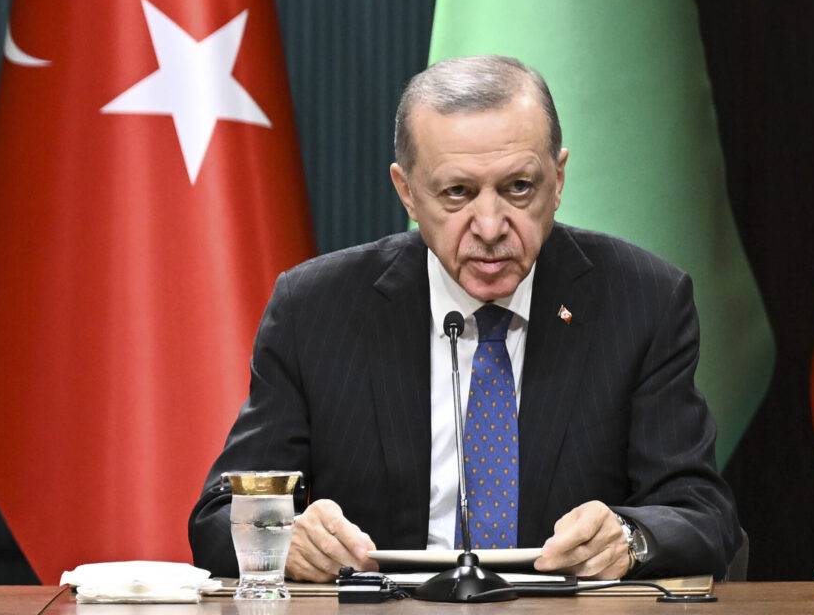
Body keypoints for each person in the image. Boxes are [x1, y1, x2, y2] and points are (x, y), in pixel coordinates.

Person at [189, 55, 740, 582]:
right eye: (458, 192)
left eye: (518, 187)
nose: (491, 225)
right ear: (407, 192)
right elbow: (217, 518)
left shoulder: (641, 301)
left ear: (558, 179)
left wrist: (628, 536)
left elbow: (702, 515)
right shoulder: (316, 310)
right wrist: (285, 536)